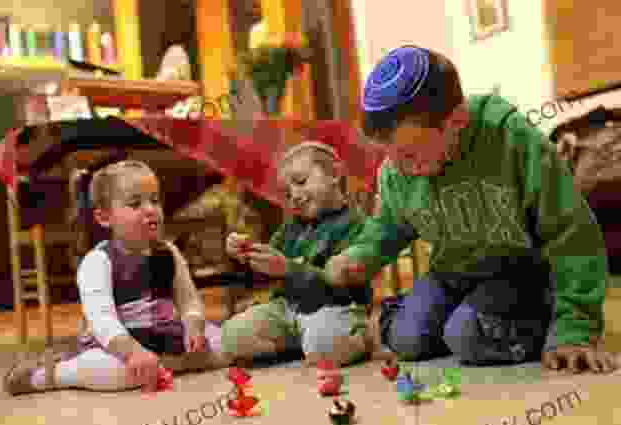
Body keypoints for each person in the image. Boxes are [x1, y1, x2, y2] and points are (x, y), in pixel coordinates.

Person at [326, 45, 618, 373]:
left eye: (410, 154)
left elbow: (569, 231)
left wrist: (573, 328)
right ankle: (451, 319)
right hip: (453, 273)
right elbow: (389, 226)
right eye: (390, 155)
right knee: (407, 339)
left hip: (519, 274)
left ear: (457, 121)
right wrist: (361, 256)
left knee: (467, 336)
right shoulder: (397, 170)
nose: (399, 168)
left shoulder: (511, 139)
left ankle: (542, 320)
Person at [4, 160, 231, 396]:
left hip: (166, 335)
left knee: (226, 344)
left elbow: (189, 301)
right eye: (135, 204)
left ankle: (162, 363)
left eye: (155, 200)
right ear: (104, 218)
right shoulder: (98, 262)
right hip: (117, 343)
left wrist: (193, 327)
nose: (150, 209)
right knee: (113, 372)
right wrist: (132, 352)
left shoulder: (169, 252)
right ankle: (49, 375)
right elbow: (102, 321)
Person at [220, 141, 387, 367]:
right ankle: (304, 342)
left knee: (325, 346)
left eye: (301, 182)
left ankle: (358, 335)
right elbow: (268, 269)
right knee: (231, 336)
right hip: (287, 309)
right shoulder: (291, 227)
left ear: (334, 173)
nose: (295, 196)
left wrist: (288, 268)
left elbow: (342, 285)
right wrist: (246, 255)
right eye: (287, 194)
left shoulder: (358, 226)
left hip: (336, 307)